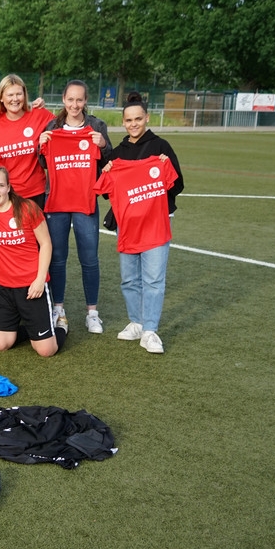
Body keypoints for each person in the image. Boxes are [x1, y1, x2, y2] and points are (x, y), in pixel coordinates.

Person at [94, 91, 184, 354]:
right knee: (129, 279)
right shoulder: (118, 154)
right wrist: (107, 170)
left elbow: (177, 184)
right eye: (129, 120)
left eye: (138, 119)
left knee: (153, 279)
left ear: (147, 118)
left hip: (156, 223)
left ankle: (150, 330)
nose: (133, 124)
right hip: (127, 225)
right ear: (123, 122)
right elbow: (106, 192)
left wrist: (167, 167)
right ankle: (136, 322)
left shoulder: (161, 147)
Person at [37, 79, 112, 334]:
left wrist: (103, 145)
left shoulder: (96, 126)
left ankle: (92, 313)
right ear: (64, 100)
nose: (75, 105)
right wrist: (40, 144)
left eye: (79, 100)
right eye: (70, 99)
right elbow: (43, 163)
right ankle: (58, 308)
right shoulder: (52, 127)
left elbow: (110, 159)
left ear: (85, 101)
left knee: (89, 258)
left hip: (85, 200)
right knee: (57, 258)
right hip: (57, 201)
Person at [0, 166, 62, 357]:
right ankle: (33, 331)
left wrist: (40, 280)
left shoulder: (27, 208)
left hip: (31, 287)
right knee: (1, 344)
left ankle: (60, 327)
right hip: (3, 289)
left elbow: (46, 244)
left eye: (0, 185)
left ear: (8, 187)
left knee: (46, 351)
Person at [0, 74, 55, 208]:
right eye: (10, 95)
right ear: (1, 98)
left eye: (19, 94)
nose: (15, 99)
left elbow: (66, 127)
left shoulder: (39, 114)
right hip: (7, 193)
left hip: (36, 192)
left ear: (24, 95)